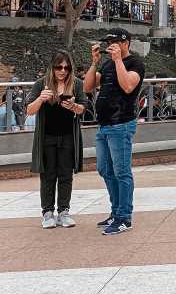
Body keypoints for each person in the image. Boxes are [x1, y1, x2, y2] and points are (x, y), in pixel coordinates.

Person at [84, 28, 145, 235]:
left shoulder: (135, 63)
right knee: (105, 169)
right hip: (104, 125)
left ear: (125, 42)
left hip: (121, 124)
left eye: (114, 42)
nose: (110, 46)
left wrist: (119, 60)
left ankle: (124, 218)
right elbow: (88, 86)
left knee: (122, 172)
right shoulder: (108, 63)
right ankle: (115, 211)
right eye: (107, 42)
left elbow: (128, 86)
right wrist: (94, 62)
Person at [27, 51, 88, 229]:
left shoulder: (76, 84)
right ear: (52, 67)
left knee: (65, 175)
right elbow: (29, 110)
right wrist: (41, 98)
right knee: (48, 175)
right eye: (58, 67)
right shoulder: (41, 84)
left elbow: (83, 109)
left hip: (68, 136)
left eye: (66, 67)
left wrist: (73, 106)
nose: (62, 71)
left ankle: (64, 211)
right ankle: (47, 213)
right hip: (46, 137)